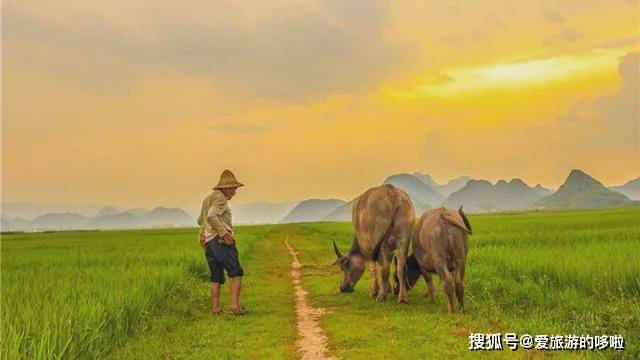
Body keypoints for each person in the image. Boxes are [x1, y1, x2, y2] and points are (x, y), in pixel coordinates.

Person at [197, 169, 246, 315]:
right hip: (220, 242)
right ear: (227, 188)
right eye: (233, 189)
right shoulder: (220, 199)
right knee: (236, 273)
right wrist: (224, 234)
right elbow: (212, 217)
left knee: (216, 277)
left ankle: (216, 308)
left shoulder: (208, 199)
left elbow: (201, 219)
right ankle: (235, 307)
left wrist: (202, 233)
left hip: (210, 243)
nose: (235, 192)